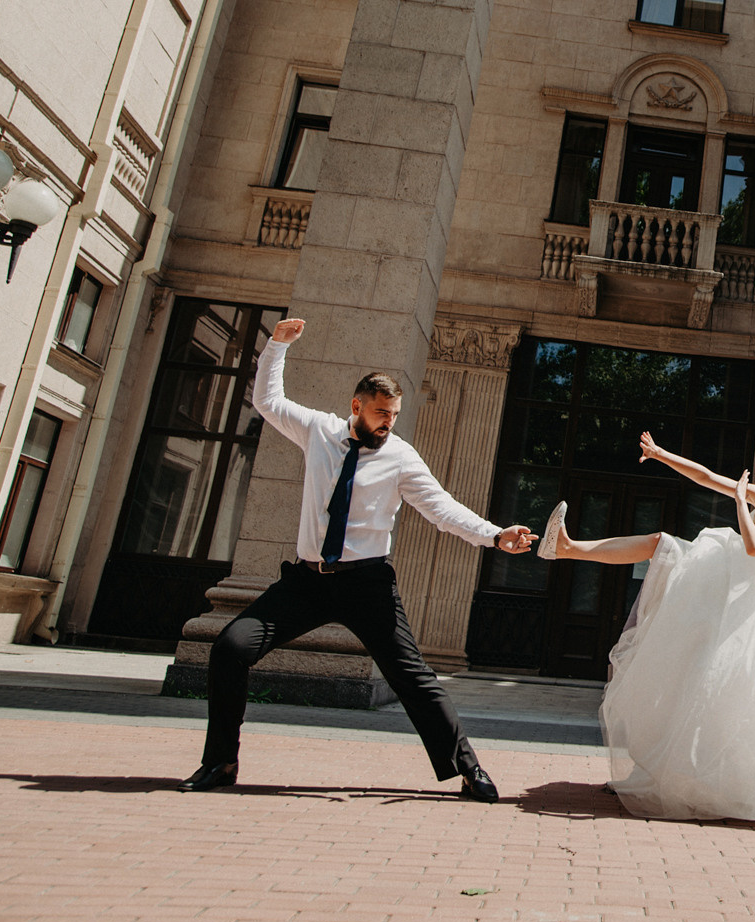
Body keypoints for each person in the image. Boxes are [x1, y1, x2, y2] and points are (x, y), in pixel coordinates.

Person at [177, 318, 539, 798]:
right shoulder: (318, 431)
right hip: (307, 582)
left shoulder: (401, 458)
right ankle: (220, 763)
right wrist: (276, 347)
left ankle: (469, 770)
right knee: (229, 649)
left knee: (413, 678)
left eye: (394, 413)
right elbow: (267, 402)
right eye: (382, 413)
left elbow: (441, 509)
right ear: (357, 406)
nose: (389, 422)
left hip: (367, 586)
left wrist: (495, 536)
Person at [535, 432, 755, 828]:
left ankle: (705, 781)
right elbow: (708, 477)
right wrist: (662, 454)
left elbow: (753, 548)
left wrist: (738, 502)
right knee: (659, 543)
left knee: (715, 694)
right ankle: (566, 547)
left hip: (749, 611)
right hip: (720, 588)